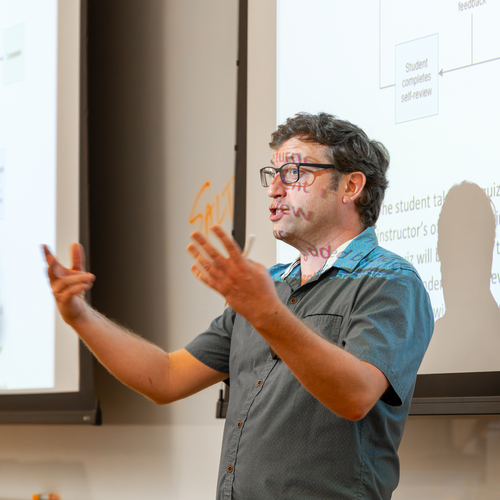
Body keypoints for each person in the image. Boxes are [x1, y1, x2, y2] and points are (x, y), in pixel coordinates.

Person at [45, 112, 434, 499]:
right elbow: (164, 377)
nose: (274, 189)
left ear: (350, 186)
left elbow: (355, 396)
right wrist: (80, 316)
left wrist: (266, 313)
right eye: (273, 174)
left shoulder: (390, 280)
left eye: (295, 172)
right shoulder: (269, 286)